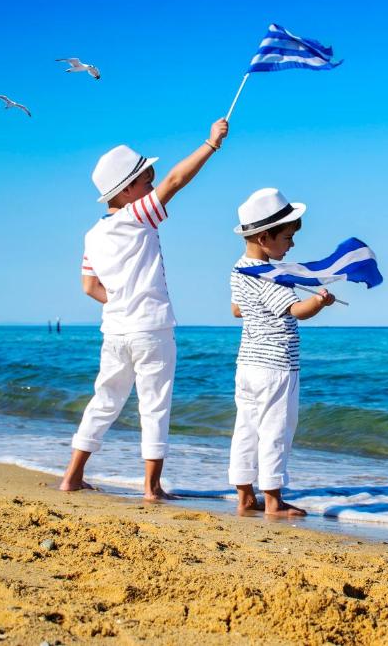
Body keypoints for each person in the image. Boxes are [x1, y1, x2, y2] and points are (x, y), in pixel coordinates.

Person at [59, 119, 229, 500]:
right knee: (154, 406)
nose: (151, 185)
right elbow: (175, 182)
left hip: (115, 329)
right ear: (125, 191)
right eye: (144, 180)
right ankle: (152, 487)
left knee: (104, 399)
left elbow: (89, 286)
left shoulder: (93, 234)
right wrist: (211, 144)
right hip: (151, 328)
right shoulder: (136, 216)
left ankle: (72, 475)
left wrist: (119, 301)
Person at [228, 187, 335, 516]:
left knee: (246, 428)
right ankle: (273, 500)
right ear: (264, 238)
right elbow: (296, 311)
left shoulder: (238, 269)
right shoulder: (269, 278)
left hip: (247, 365)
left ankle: (244, 493)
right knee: (276, 430)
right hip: (276, 367)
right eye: (287, 236)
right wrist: (319, 301)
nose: (292, 244)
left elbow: (236, 310)